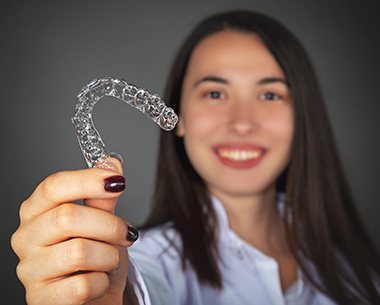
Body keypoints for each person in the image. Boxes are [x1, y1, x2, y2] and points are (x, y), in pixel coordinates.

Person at [11, 10, 379, 305]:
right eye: (215, 94)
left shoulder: (358, 268)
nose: (241, 123)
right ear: (179, 116)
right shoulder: (151, 263)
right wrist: (110, 295)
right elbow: (137, 289)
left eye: (269, 96)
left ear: (303, 115)